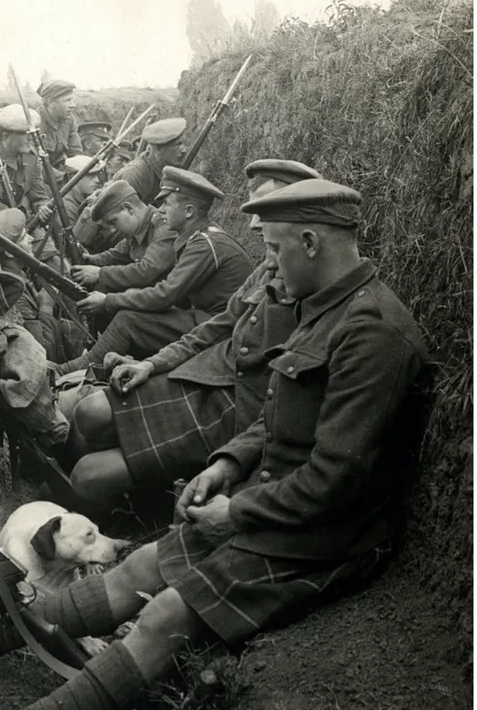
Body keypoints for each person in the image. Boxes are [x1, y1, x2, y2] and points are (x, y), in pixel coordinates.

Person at [0, 178, 428, 710]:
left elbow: (337, 478)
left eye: (273, 247)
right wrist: (227, 465)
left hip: (323, 533)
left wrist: (236, 513)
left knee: (165, 613)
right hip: (277, 497)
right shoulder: (322, 305)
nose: (267, 262)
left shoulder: (370, 333)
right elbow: (275, 416)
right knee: (143, 566)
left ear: (312, 241)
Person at [66, 159, 320, 506]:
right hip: (210, 371)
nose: (253, 225)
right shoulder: (264, 269)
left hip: (235, 406)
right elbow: (221, 326)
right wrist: (153, 365)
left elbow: (167, 292)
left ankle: (129, 500)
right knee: (88, 413)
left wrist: (109, 297)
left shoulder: (212, 246)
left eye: (265, 215)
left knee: (89, 467)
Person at [57, 167, 252, 376]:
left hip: (221, 326)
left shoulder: (204, 244)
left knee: (128, 319)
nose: (160, 210)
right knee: (131, 309)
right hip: (212, 318)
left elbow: (165, 294)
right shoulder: (198, 238)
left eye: (167, 204)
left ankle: (78, 369)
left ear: (188, 211)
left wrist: (108, 300)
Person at [0, 209, 87, 365]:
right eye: (24, 237)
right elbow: (44, 352)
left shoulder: (20, 274)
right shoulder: (15, 293)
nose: (31, 238)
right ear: (10, 252)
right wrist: (46, 307)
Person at [70, 180, 176, 295]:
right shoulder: (137, 231)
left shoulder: (163, 226)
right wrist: (86, 258)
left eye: (113, 222)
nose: (113, 229)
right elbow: (114, 256)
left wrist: (99, 274)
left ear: (128, 208)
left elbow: (147, 270)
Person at [114, 117, 187, 203]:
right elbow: (124, 212)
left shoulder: (171, 169)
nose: (184, 150)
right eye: (177, 145)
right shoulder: (135, 175)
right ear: (159, 148)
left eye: (183, 143)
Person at [37, 79, 83, 168]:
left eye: (72, 100)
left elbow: (76, 153)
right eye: (67, 100)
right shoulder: (36, 123)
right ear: (51, 102)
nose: (73, 105)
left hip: (63, 170)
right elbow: (35, 167)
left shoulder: (69, 120)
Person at [62, 155, 104, 224]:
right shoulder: (66, 206)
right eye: (91, 175)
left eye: (97, 175)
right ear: (74, 177)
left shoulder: (82, 198)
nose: (97, 180)